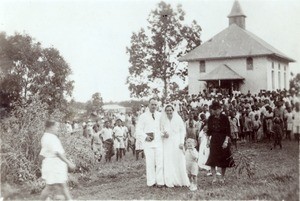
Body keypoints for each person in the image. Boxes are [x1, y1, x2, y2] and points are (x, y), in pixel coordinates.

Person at [40, 120, 76, 200]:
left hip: (54, 164)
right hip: (54, 165)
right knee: (50, 186)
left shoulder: (46, 137)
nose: (58, 129)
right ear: (51, 127)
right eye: (57, 127)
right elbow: (57, 153)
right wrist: (69, 163)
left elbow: (41, 155)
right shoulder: (50, 137)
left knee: (61, 185)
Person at [135, 98, 164, 187]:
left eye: (155, 105)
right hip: (148, 143)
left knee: (159, 162)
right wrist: (145, 137)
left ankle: (160, 181)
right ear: (148, 105)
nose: (154, 106)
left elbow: (162, 128)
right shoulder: (143, 116)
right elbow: (138, 130)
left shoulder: (160, 115)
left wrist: (163, 134)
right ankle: (151, 181)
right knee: (150, 163)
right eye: (152, 104)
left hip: (158, 142)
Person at [160, 104, 190, 188]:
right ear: (165, 111)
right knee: (168, 160)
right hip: (167, 142)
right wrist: (163, 134)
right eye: (167, 110)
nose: (169, 112)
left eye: (170, 110)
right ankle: (169, 180)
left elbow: (182, 131)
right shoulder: (163, 120)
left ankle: (180, 180)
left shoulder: (178, 118)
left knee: (178, 159)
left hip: (177, 142)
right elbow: (160, 131)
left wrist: (181, 142)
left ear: (173, 111)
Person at [206, 101, 235, 184]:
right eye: (213, 109)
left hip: (223, 139)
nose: (215, 111)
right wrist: (208, 140)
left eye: (217, 109)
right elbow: (209, 131)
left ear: (220, 109)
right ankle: (214, 178)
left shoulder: (224, 118)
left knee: (223, 159)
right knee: (212, 159)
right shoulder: (210, 118)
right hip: (214, 139)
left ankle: (222, 177)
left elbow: (228, 131)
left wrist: (226, 141)